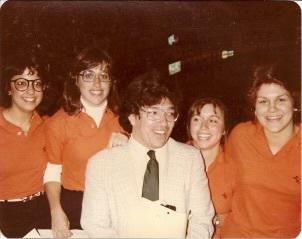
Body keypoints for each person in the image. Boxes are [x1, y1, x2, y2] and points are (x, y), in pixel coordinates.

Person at [81, 69, 214, 238]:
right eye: (154, 113)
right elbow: (95, 226)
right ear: (132, 116)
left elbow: (202, 220)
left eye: (170, 113)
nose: (164, 122)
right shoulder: (101, 165)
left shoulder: (190, 158)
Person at [44, 47, 127, 238]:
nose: (97, 83)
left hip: (117, 205)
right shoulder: (58, 122)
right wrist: (56, 211)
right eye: (88, 75)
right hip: (76, 206)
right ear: (76, 79)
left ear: (112, 82)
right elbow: (53, 170)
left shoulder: (126, 120)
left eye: (103, 75)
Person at [221, 62, 301, 238]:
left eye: (281, 99)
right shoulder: (241, 136)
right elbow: (220, 169)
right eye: (263, 101)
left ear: (294, 103)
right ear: (255, 109)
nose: (272, 109)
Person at [0, 51, 51, 237]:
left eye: (37, 84)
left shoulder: (48, 125)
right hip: (4, 215)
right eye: (21, 83)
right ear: (8, 88)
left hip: (42, 212)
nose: (31, 91)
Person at [186, 97, 234, 238]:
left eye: (213, 120)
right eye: (197, 119)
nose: (204, 126)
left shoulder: (235, 166)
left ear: (224, 129)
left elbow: (248, 214)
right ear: (188, 126)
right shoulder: (172, 158)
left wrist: (221, 220)